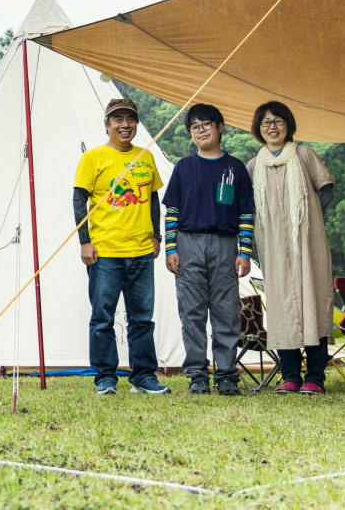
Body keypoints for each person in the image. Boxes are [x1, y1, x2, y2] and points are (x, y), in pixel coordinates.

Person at [73, 97, 171, 396]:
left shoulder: (145, 157)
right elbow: (79, 199)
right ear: (107, 125)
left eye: (130, 119)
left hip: (141, 250)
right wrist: (85, 241)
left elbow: (153, 198)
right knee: (103, 317)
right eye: (118, 120)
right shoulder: (92, 158)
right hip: (105, 252)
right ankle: (105, 377)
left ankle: (143, 377)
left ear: (136, 124)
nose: (125, 125)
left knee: (142, 318)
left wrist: (157, 235)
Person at [163, 104, 254, 396]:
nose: (201, 131)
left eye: (206, 125)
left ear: (220, 127)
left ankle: (227, 374)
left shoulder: (235, 167)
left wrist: (245, 251)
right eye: (195, 127)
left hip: (226, 244)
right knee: (192, 312)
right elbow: (172, 211)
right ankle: (197, 375)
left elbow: (246, 214)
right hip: (188, 243)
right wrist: (170, 248)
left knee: (226, 311)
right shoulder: (184, 167)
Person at [247, 101, 335, 396]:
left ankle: (315, 378)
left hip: (308, 244)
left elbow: (326, 190)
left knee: (313, 303)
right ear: (259, 129)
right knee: (282, 307)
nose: (272, 127)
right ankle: (290, 377)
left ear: (288, 124)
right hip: (272, 245)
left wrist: (306, 221)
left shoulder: (304, 154)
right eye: (265, 123)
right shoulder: (253, 165)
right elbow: (247, 208)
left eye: (277, 121)